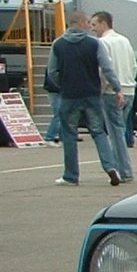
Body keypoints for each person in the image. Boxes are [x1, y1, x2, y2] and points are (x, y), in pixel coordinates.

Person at [45, 10, 124, 186]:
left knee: (69, 134)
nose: (90, 25)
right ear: (80, 23)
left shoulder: (58, 45)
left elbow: (52, 72)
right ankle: (111, 167)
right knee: (98, 132)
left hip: (69, 96)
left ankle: (71, 176)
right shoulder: (94, 43)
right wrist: (117, 88)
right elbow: (107, 68)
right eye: (88, 22)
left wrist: (63, 85)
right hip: (92, 95)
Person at [90, 11, 136, 182]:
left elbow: (104, 69)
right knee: (120, 130)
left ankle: (124, 170)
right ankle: (121, 167)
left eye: (94, 25)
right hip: (129, 88)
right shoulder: (125, 41)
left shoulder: (102, 42)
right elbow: (133, 65)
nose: (92, 29)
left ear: (103, 23)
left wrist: (104, 88)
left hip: (112, 92)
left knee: (115, 133)